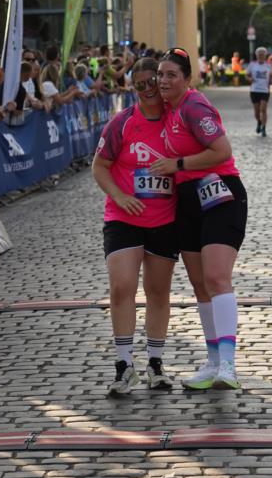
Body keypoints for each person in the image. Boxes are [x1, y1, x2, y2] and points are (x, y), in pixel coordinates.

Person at [150, 48, 247, 391]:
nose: (163, 80)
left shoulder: (194, 106)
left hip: (220, 194)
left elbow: (222, 151)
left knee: (217, 276)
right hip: (187, 200)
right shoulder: (164, 109)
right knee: (199, 284)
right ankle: (212, 360)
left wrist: (177, 166)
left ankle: (229, 365)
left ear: (187, 79)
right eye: (160, 74)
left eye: (171, 75)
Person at [92, 58, 177, 396]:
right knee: (122, 287)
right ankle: (124, 365)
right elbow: (99, 167)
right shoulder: (122, 123)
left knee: (158, 292)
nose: (145, 89)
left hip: (164, 219)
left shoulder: (177, 120)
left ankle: (155, 362)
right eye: (138, 84)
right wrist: (120, 194)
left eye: (150, 82)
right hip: (122, 217)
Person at [245, 47, 272, 135]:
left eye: (262, 54)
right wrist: (249, 79)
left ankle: (264, 129)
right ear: (256, 56)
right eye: (259, 54)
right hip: (254, 90)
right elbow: (246, 75)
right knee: (257, 113)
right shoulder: (252, 65)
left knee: (263, 109)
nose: (261, 56)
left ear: (265, 56)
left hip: (265, 90)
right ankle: (259, 122)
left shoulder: (269, 65)